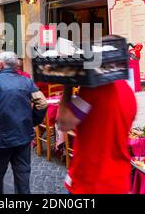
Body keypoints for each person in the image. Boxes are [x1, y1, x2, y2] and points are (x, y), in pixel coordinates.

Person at [57, 35, 137, 194]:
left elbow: (64, 123)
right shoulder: (129, 93)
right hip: (120, 181)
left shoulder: (92, 92)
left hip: (91, 181)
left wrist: (67, 85)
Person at [0, 51, 48, 194]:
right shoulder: (26, 81)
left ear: (1, 65)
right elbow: (42, 103)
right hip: (22, 135)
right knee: (22, 174)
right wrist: (33, 121)